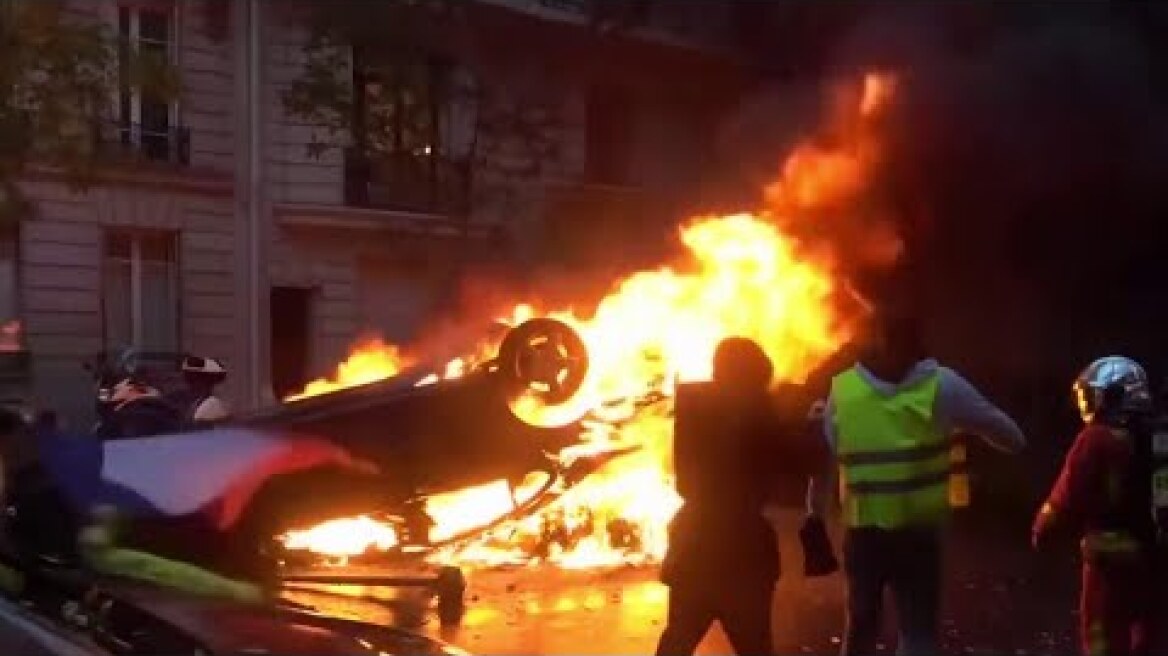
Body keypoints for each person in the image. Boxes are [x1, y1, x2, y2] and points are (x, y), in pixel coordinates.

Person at [807, 303, 1026, 656]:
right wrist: (962, 429)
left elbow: (825, 461)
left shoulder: (843, 391)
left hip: (864, 536)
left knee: (860, 629)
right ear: (917, 343)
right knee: (919, 632)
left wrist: (814, 516)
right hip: (918, 535)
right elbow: (1012, 439)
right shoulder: (943, 385)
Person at [656, 337, 825, 656]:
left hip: (693, 545)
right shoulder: (758, 415)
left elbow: (686, 484)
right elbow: (799, 464)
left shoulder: (694, 407)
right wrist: (812, 426)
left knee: (677, 641)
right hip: (743, 552)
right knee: (754, 644)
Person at [1032, 356, 1168, 655]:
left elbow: (1068, 496)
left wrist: (1043, 530)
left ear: (1111, 394)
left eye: (1091, 395)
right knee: (1151, 639)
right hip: (1158, 564)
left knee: (1103, 640)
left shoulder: (1096, 439)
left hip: (1110, 569)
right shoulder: (1160, 436)